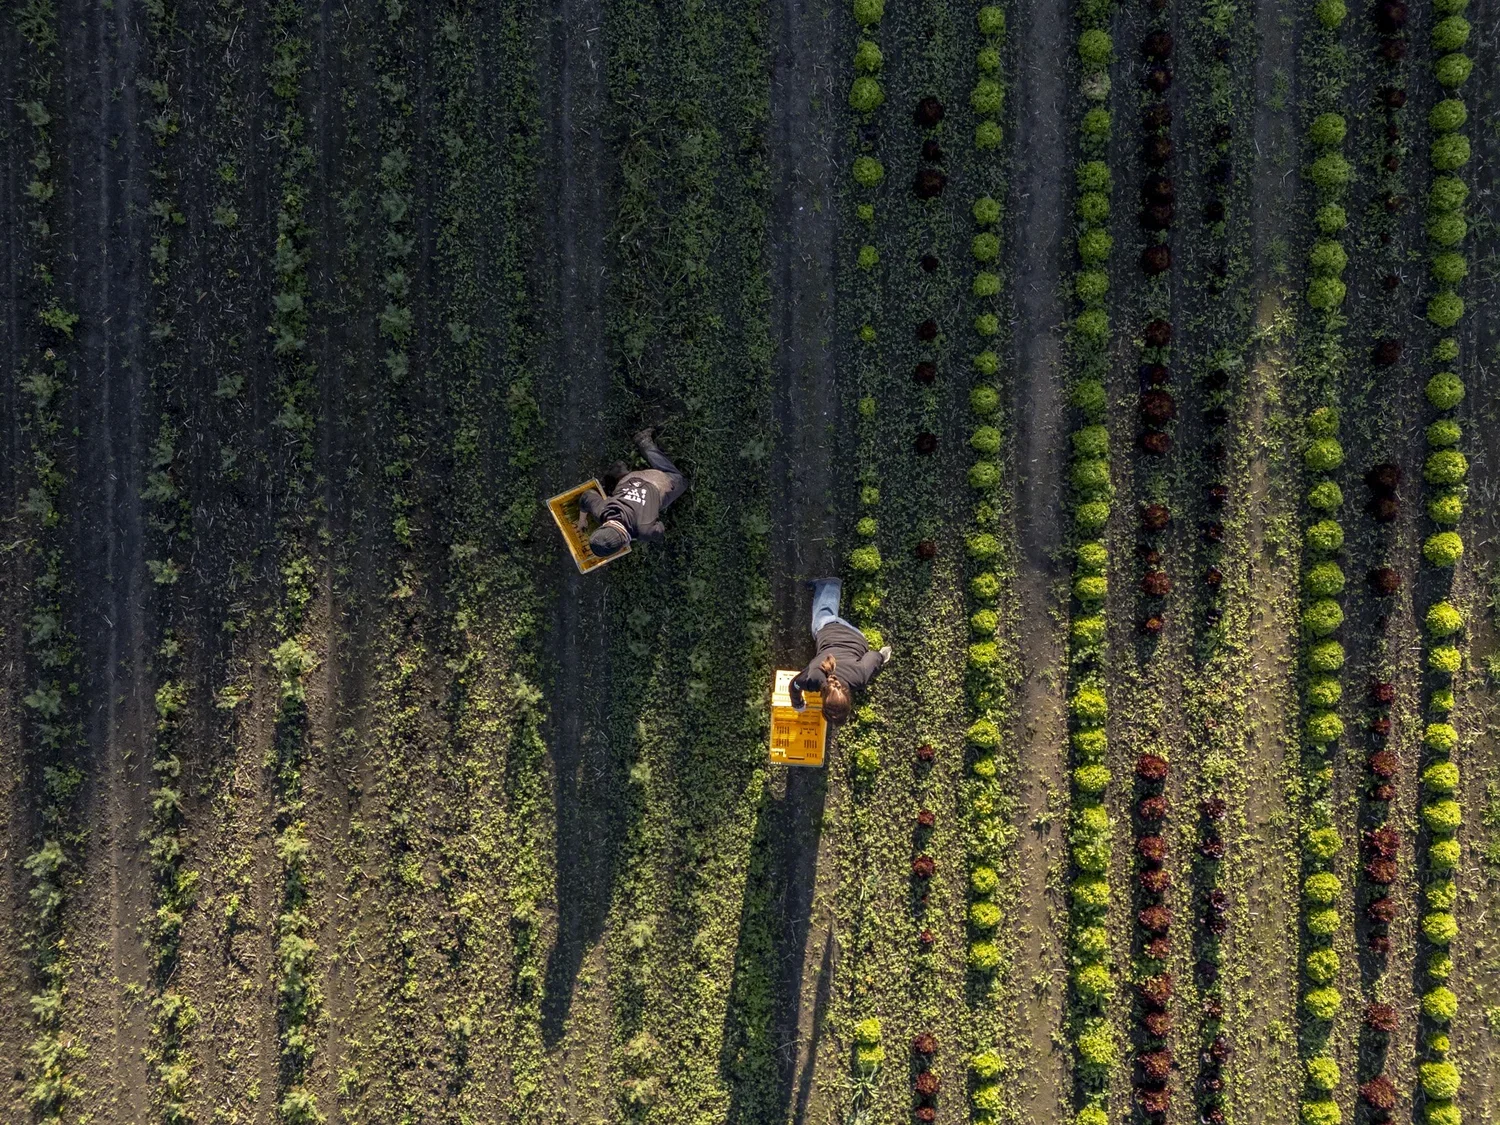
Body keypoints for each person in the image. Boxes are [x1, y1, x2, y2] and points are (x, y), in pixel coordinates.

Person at [790, 577, 892, 724]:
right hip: (829, 628)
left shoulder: (860, 678)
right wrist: (797, 704)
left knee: (827, 617)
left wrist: (883, 656)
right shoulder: (813, 677)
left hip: (857, 637)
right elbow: (794, 685)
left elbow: (874, 656)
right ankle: (829, 585)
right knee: (824, 615)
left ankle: (831, 588)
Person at [575, 428, 686, 557]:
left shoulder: (644, 532)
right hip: (628, 481)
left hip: (655, 481)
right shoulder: (601, 510)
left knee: (680, 481)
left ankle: (644, 443)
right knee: (621, 489)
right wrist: (582, 519)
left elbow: (659, 528)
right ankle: (620, 472)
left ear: (623, 544)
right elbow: (587, 496)